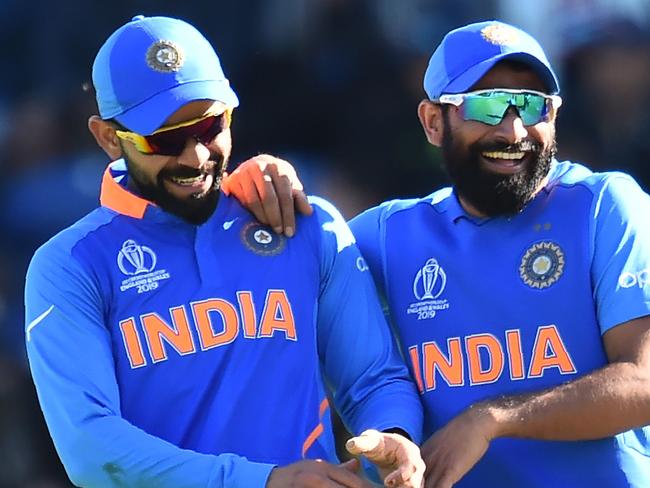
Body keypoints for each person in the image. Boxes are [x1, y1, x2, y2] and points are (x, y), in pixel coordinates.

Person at [224, 20, 650, 488]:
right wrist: (261, 179)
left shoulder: (603, 205)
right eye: (487, 106)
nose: (513, 130)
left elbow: (643, 382)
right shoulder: (389, 233)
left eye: (532, 106)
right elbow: (266, 276)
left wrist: (491, 420)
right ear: (432, 122)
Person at [23, 15, 427, 488]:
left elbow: (375, 379)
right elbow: (92, 451)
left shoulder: (303, 223)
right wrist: (264, 482)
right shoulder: (69, 267)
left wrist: (395, 435)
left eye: (209, 125)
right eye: (165, 139)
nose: (195, 156)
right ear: (108, 138)